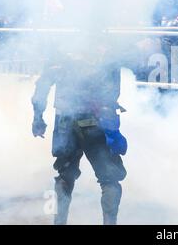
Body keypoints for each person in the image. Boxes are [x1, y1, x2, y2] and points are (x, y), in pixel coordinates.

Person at [31, 41, 127, 225]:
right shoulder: (109, 52)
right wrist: (113, 132)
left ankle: (59, 223)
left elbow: (42, 86)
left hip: (65, 121)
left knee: (64, 175)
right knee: (110, 179)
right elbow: (111, 94)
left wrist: (37, 117)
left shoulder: (62, 49)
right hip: (96, 122)